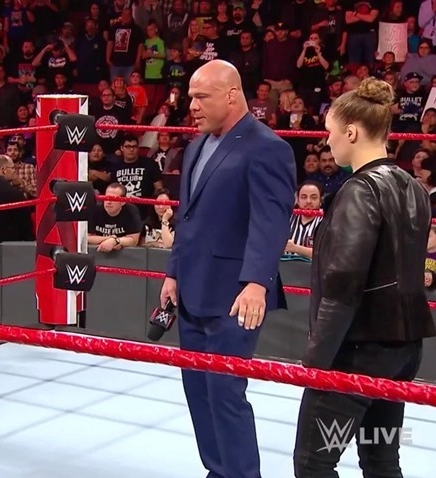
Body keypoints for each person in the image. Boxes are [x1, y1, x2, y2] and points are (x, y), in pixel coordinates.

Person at [159, 59, 297, 478]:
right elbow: (188, 218)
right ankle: (218, 470)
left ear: (232, 95)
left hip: (235, 296)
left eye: (202, 97)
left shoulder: (267, 146)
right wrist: (173, 271)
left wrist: (256, 282)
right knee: (197, 389)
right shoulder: (197, 145)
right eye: (191, 97)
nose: (192, 106)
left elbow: (270, 221)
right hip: (192, 289)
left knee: (225, 391)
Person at [293, 77, 436, 477]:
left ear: (352, 132)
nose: (328, 141)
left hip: (357, 353)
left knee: (313, 463)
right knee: (381, 458)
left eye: (331, 132)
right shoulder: (414, 188)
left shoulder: (359, 191)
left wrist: (316, 361)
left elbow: (343, 283)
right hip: (401, 352)